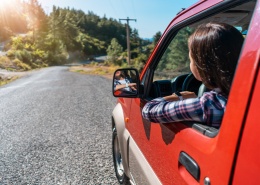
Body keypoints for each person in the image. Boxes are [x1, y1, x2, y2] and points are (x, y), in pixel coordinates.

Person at [142, 22, 244, 127]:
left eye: (191, 60)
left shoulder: (208, 105)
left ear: (202, 66)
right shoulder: (250, 94)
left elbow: (148, 110)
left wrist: (179, 97)